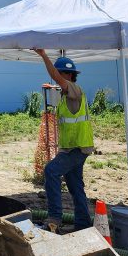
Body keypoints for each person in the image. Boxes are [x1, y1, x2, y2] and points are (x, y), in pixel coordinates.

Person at [32, 49, 94, 233]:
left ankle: (54, 219)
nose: (57, 78)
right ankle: (83, 225)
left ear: (68, 75)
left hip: (78, 148)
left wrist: (43, 55)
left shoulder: (74, 90)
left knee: (51, 171)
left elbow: (54, 75)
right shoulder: (67, 96)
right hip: (73, 149)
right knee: (75, 187)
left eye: (60, 74)